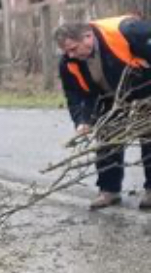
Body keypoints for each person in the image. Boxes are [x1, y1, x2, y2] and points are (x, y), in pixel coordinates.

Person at [56, 16, 151, 210]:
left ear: (88, 37)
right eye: (66, 51)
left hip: (145, 86)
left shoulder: (129, 31)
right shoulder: (69, 61)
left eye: (73, 49)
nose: (70, 55)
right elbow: (74, 95)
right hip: (109, 96)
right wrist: (82, 120)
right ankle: (109, 190)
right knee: (107, 135)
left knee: (148, 133)